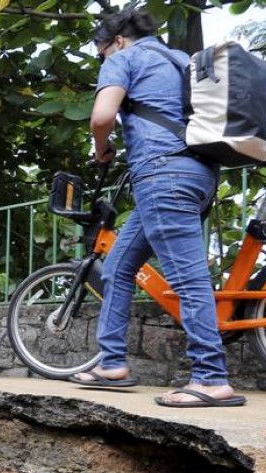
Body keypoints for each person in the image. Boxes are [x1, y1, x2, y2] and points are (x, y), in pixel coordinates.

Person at [76, 8, 245, 407]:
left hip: (162, 174)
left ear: (115, 41)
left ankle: (210, 377)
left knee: (187, 277)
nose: (104, 59)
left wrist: (102, 151)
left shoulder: (124, 58)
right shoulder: (182, 61)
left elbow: (102, 117)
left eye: (102, 52)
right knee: (117, 267)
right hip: (198, 175)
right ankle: (112, 362)